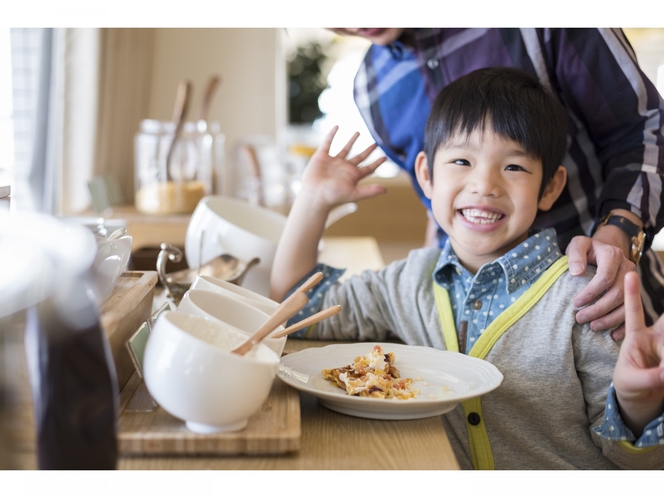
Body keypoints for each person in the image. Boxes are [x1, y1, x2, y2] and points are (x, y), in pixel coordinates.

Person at [270, 68, 664, 469]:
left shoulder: (584, 295)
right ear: (426, 175)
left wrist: (637, 403)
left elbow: (637, 462)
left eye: (513, 167)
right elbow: (297, 311)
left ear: (549, 187)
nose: (484, 184)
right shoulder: (408, 282)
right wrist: (313, 201)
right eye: (461, 160)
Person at [328, 28, 664, 338]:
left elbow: (645, 129)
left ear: (550, 186)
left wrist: (618, 232)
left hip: (602, 310)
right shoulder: (370, 89)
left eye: (513, 166)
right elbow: (438, 207)